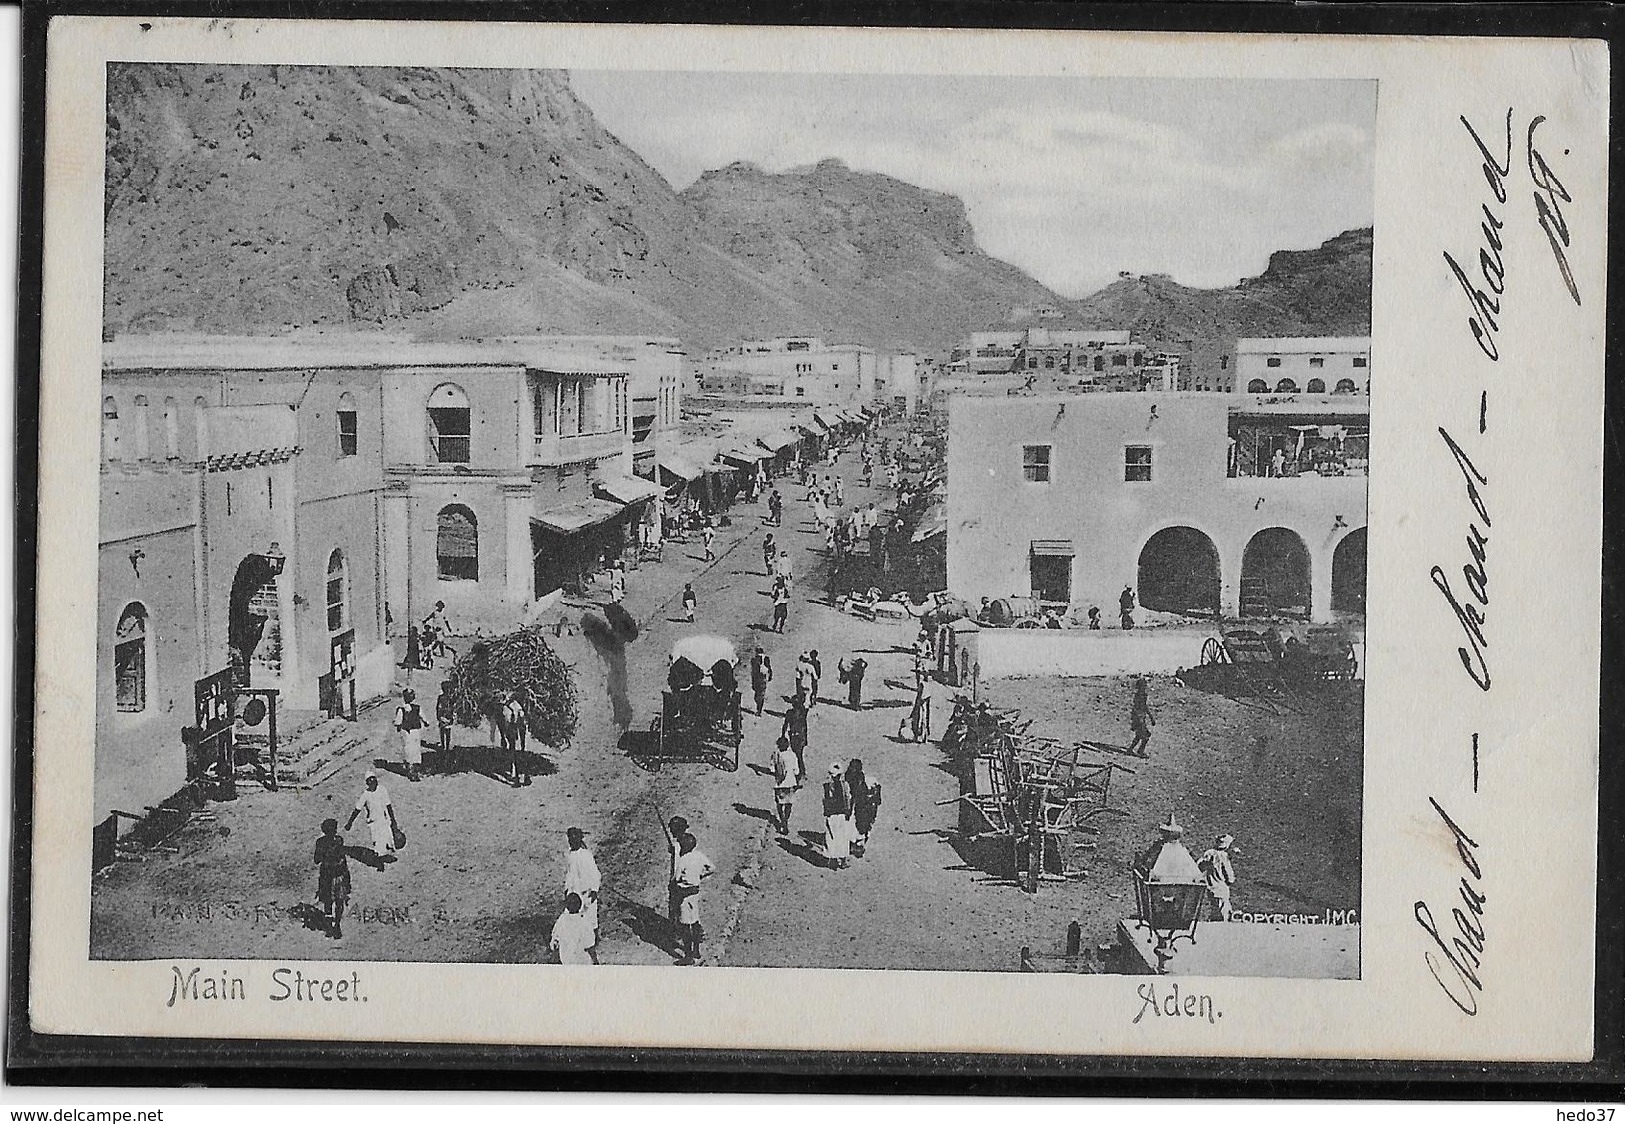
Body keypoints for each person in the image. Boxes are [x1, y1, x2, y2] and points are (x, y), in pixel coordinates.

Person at [671, 832, 715, 964]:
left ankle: (688, 956)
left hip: (683, 894)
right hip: (695, 892)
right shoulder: (699, 855)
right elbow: (712, 868)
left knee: (684, 925)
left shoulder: (683, 860)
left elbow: (676, 878)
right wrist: (701, 875)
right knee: (695, 922)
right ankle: (696, 951)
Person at [1132, 814, 1203, 883]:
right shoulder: (1181, 849)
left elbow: (1152, 866)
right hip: (1183, 880)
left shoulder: (1164, 848)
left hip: (1165, 880)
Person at [344, 772, 398, 861]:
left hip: (384, 819)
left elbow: (388, 805)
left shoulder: (382, 790)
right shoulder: (365, 795)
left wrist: (393, 819)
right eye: (370, 782)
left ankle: (385, 853)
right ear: (367, 784)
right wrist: (350, 822)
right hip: (373, 822)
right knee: (377, 841)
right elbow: (357, 809)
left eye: (374, 781)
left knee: (388, 838)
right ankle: (380, 859)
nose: (373, 784)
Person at [313, 817, 351, 938]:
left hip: (326, 876)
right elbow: (343, 860)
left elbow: (316, 860)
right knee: (339, 902)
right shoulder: (339, 840)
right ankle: (337, 926)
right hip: (339, 875)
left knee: (328, 903)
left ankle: (329, 927)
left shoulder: (320, 842)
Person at [563, 827, 602, 942]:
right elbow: (569, 874)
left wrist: (594, 889)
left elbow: (595, 873)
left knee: (590, 917)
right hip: (575, 892)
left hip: (587, 892)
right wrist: (567, 889)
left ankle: (594, 939)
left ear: (579, 840)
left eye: (574, 839)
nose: (571, 841)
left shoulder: (586, 855)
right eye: (570, 839)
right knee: (575, 917)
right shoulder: (570, 855)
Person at [659, 813, 690, 931]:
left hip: (677, 881)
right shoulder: (687, 842)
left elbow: (676, 865)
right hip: (687, 879)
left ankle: (676, 931)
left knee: (674, 907)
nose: (671, 832)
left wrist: (673, 882)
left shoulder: (677, 846)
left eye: (672, 829)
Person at [549, 893, 598, 965]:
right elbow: (590, 944)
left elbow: (554, 941)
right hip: (581, 960)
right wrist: (596, 961)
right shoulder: (583, 921)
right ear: (580, 905)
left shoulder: (562, 919)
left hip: (566, 959)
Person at [822, 763, 854, 869]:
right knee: (843, 837)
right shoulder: (845, 785)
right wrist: (848, 811)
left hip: (831, 815)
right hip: (842, 814)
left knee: (831, 836)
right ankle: (843, 860)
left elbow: (826, 801)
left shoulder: (827, 786)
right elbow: (847, 798)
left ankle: (832, 860)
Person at [847, 759, 882, 856]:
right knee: (860, 825)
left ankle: (857, 844)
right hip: (861, 805)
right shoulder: (858, 779)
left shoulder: (864, 781)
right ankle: (856, 844)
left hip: (863, 805)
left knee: (861, 825)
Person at [1199, 834, 1237, 920]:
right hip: (1221, 886)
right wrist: (1230, 880)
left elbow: (1199, 865)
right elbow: (1229, 874)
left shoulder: (1209, 853)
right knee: (1223, 911)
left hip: (1211, 886)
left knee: (1215, 908)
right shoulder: (1223, 856)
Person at [499, 689, 531, 786]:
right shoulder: (517, 703)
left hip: (513, 721)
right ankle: (523, 775)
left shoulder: (510, 705)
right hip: (518, 719)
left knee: (514, 747)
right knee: (522, 747)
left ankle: (517, 775)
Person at [394, 688, 426, 782]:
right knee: (415, 750)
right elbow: (424, 718)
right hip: (415, 732)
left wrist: (398, 725)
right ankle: (414, 771)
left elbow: (398, 722)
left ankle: (410, 770)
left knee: (408, 750)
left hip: (407, 733)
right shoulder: (417, 708)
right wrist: (425, 722)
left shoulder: (401, 709)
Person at [770, 735, 801, 835]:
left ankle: (783, 821)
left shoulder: (776, 755)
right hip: (791, 783)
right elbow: (796, 771)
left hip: (780, 783)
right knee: (788, 804)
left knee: (779, 804)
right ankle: (786, 820)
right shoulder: (792, 755)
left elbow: (772, 770)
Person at [781, 695, 810, 777]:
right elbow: (805, 726)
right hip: (800, 736)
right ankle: (801, 770)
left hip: (794, 736)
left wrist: (783, 735)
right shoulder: (802, 712)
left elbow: (785, 725)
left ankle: (801, 771)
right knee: (798, 754)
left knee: (797, 754)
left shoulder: (790, 713)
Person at [1127, 676, 1155, 757]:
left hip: (1139, 717)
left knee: (1139, 735)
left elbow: (1143, 707)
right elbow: (1140, 707)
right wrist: (1149, 717)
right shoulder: (1140, 696)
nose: (1146, 686)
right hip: (1139, 718)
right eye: (1145, 685)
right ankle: (1140, 751)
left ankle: (1131, 749)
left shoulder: (1140, 695)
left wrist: (1150, 717)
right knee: (1145, 735)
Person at [750, 646, 773, 715]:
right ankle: (759, 709)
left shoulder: (754, 660)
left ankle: (758, 709)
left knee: (757, 695)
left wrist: (753, 682)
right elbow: (769, 668)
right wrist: (770, 676)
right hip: (764, 678)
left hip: (757, 678)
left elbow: (753, 672)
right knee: (761, 693)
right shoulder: (766, 658)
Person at [435, 681, 455, 760]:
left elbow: (438, 708)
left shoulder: (441, 697)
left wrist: (439, 717)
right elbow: (453, 708)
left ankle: (443, 746)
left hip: (443, 717)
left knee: (442, 732)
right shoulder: (452, 698)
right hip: (449, 717)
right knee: (448, 732)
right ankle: (447, 746)